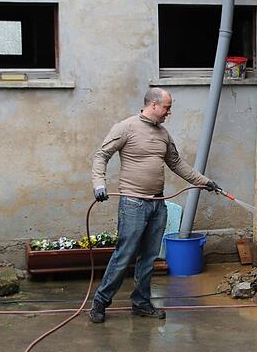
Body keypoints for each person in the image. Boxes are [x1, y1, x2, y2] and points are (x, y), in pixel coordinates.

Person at [88, 87, 220, 323]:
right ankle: (100, 302)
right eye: (167, 107)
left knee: (149, 258)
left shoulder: (163, 135)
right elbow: (101, 155)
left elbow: (177, 163)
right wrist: (99, 184)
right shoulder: (126, 128)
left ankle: (141, 303)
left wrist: (205, 182)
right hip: (133, 204)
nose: (169, 112)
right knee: (125, 255)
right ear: (154, 105)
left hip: (157, 204)